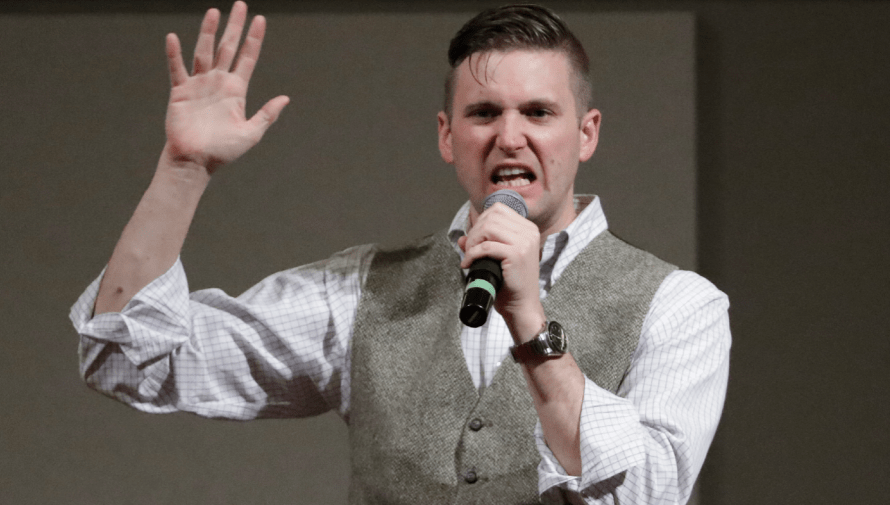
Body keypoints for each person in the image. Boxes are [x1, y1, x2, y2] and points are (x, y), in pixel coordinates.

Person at [70, 2, 730, 503]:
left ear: (586, 134)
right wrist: (182, 171)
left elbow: (649, 493)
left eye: (537, 112)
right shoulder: (365, 292)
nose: (509, 136)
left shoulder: (677, 306)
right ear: (447, 137)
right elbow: (127, 355)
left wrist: (529, 321)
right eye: (483, 113)